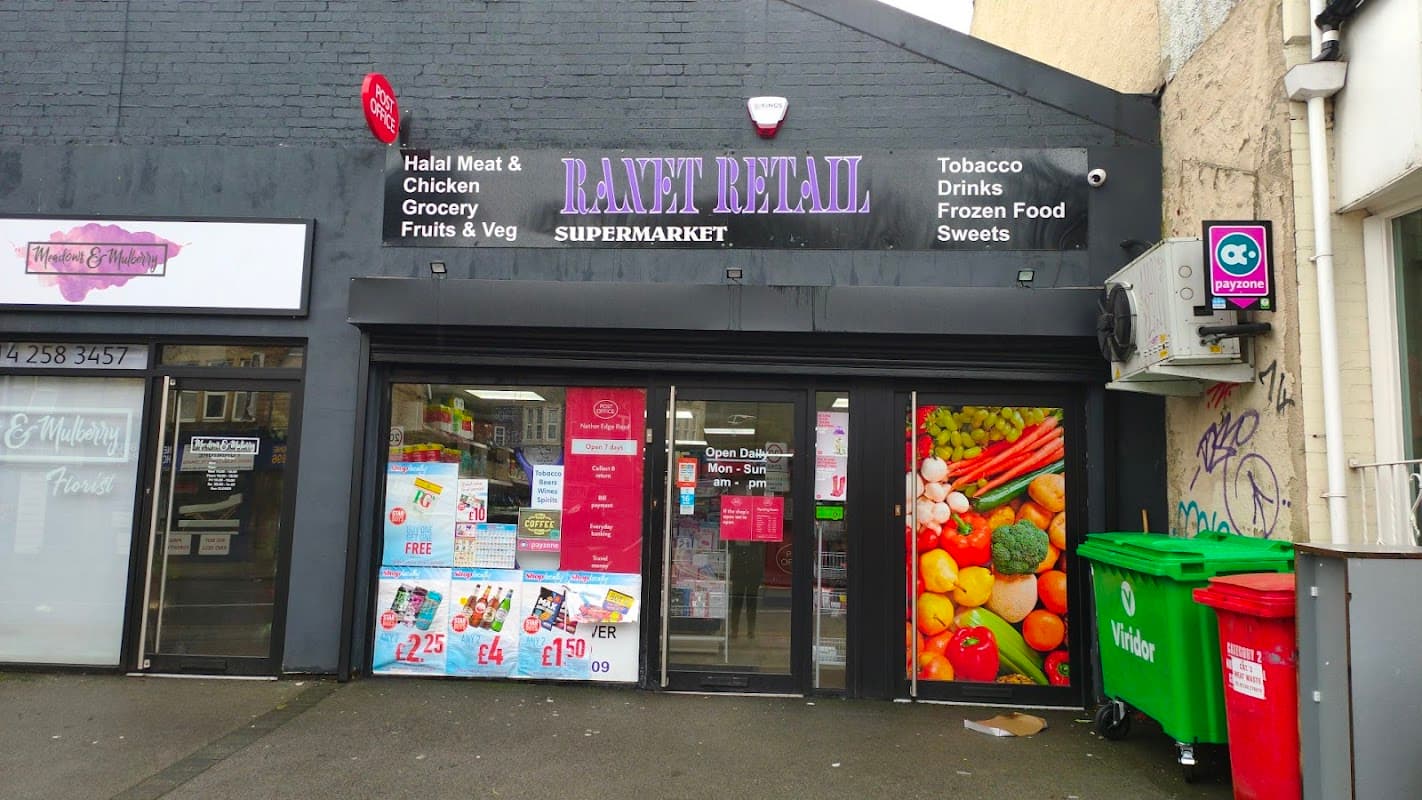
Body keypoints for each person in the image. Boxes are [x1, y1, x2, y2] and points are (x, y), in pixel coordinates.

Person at [727, 541, 765, 639]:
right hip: (740, 572)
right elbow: (730, 545)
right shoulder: (737, 538)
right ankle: (735, 630)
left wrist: (761, 575)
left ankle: (750, 630)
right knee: (737, 602)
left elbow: (761, 552)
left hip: (752, 572)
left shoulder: (756, 539)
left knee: (751, 603)